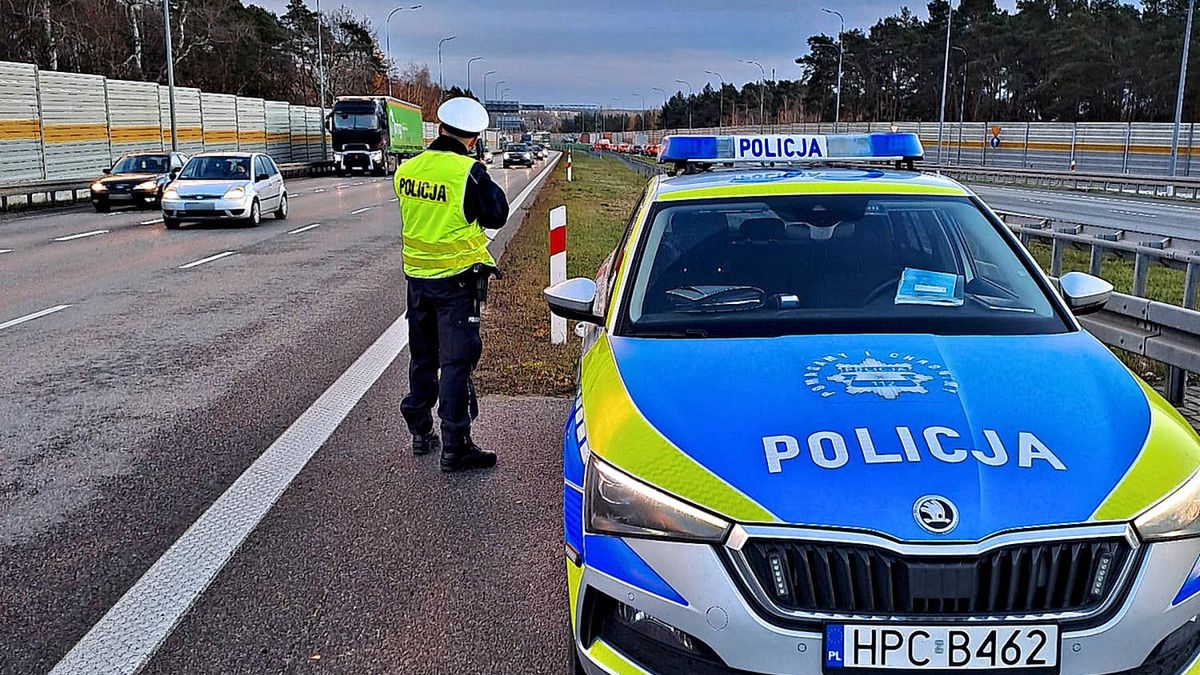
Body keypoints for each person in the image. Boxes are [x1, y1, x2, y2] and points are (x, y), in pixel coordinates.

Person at [395, 97, 509, 472]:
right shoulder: (469, 173)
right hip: (456, 283)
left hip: (417, 281)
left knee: (423, 356)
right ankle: (455, 445)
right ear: (473, 139)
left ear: (439, 129)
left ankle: (419, 429)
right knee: (456, 361)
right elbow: (497, 214)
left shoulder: (408, 170)